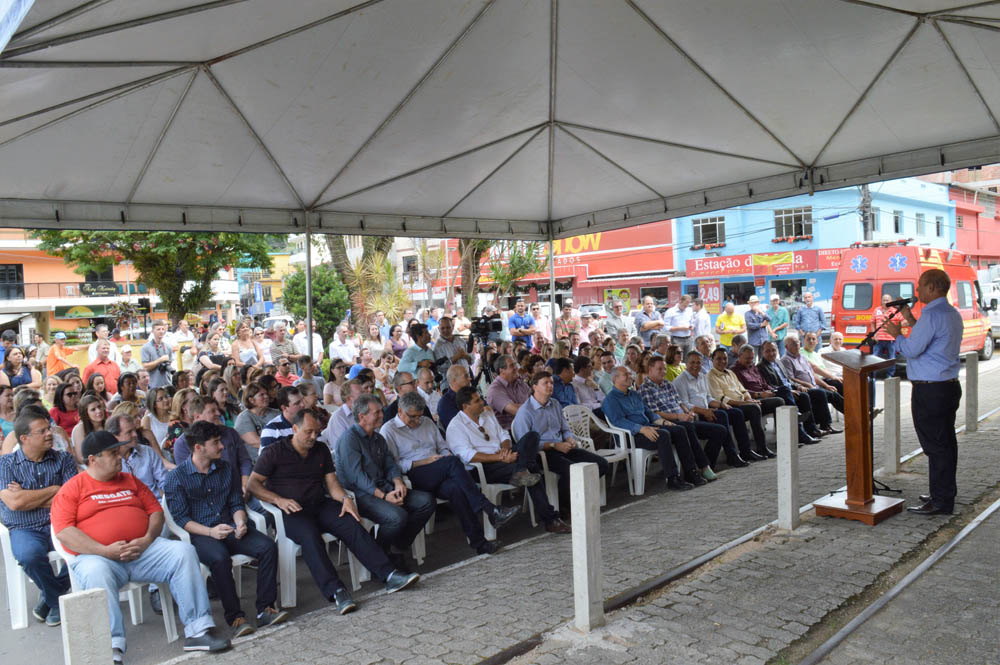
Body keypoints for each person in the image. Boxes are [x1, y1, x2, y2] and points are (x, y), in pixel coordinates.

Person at [52, 431, 231, 661]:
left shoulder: (130, 481)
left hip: (143, 551)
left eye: (119, 452)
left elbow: (155, 512)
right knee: (95, 571)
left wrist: (147, 539)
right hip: (99, 557)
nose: (120, 457)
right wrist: (104, 550)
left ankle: (199, 631)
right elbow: (64, 532)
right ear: (93, 459)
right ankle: (112, 649)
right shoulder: (73, 488)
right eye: (113, 453)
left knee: (183, 552)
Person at [248, 409, 419, 614]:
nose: (313, 436)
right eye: (308, 432)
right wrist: (278, 500)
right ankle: (336, 591)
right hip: (291, 511)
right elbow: (253, 484)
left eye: (317, 432)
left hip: (319, 503)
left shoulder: (320, 449)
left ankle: (389, 574)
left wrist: (345, 499)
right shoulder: (274, 452)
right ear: (294, 429)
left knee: (351, 522)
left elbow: (331, 482)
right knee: (310, 537)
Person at [165, 421, 288, 637]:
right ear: (198, 448)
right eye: (215, 443)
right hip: (202, 534)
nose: (222, 446)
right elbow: (182, 520)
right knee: (220, 558)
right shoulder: (177, 477)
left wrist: (240, 521)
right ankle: (236, 617)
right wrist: (211, 532)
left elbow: (236, 503)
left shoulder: (225, 468)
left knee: (267, 547)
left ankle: (265, 609)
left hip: (230, 527)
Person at [380, 392, 520, 556]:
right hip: (415, 474)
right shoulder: (389, 430)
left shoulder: (426, 422)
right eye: (412, 417)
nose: (417, 421)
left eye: (419, 416)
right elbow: (393, 465)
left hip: (440, 468)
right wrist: (425, 462)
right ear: (400, 411)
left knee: (456, 489)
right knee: (453, 462)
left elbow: (443, 447)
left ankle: (480, 543)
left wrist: (444, 457)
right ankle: (489, 509)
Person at [883, 269, 964, 516]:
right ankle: (943, 493)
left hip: (931, 390)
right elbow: (929, 343)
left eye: (919, 286)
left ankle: (941, 501)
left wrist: (897, 336)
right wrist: (910, 317)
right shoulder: (950, 313)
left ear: (931, 287)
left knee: (936, 447)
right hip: (946, 386)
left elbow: (912, 349)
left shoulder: (931, 314)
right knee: (945, 444)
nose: (916, 291)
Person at [447, 386, 573, 534]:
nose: (482, 402)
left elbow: (504, 435)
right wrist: (500, 457)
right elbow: (468, 455)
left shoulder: (487, 414)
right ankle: (551, 520)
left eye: (480, 399)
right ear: (465, 406)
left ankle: (521, 470)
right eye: (477, 401)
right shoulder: (455, 426)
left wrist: (505, 450)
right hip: (484, 468)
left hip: (506, 456)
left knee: (532, 436)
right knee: (531, 471)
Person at [0, 412, 78, 627]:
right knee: (29, 555)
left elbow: (72, 498)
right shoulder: (6, 464)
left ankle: (50, 596)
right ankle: (57, 600)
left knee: (83, 547)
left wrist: (27, 496)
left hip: (60, 522)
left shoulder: (63, 459)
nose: (49, 434)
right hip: (24, 528)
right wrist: (54, 490)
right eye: (41, 431)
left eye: (48, 429)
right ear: (24, 438)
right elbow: (15, 503)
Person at [511, 372, 609, 510]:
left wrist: (569, 438)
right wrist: (553, 445)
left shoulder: (555, 404)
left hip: (563, 447)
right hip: (542, 453)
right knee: (571, 471)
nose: (550, 386)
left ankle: (579, 496)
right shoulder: (525, 411)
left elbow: (565, 429)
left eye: (551, 383)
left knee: (601, 464)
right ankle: (565, 507)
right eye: (545, 383)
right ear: (535, 387)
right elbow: (526, 445)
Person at [637, 356, 725, 480]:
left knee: (719, 430)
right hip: (667, 423)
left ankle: (707, 464)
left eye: (664, 369)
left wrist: (688, 413)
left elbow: (680, 403)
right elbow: (655, 414)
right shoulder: (645, 389)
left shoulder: (667, 384)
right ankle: (703, 467)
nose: (663, 371)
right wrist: (679, 416)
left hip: (683, 419)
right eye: (660, 369)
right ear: (650, 370)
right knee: (687, 427)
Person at [672, 351, 753, 466]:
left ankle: (746, 451)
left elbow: (708, 398)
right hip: (694, 415)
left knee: (735, 412)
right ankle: (731, 455)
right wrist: (705, 411)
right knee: (722, 418)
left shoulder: (702, 376)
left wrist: (721, 404)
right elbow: (685, 405)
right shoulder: (680, 381)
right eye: (692, 362)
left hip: (707, 410)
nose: (695, 365)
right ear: (686, 363)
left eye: (698, 363)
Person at [707, 348, 776, 459]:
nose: (722, 361)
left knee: (773, 401)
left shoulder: (730, 373)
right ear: (712, 360)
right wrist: (743, 403)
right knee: (754, 409)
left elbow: (743, 390)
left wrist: (749, 399)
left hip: (744, 403)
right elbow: (721, 398)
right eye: (719, 359)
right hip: (730, 406)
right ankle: (760, 448)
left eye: (725, 358)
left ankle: (766, 445)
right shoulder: (710, 376)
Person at [755, 341, 826, 443]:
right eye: (768, 351)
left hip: (789, 389)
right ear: (762, 352)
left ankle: (812, 430)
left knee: (807, 395)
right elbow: (769, 385)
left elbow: (788, 379)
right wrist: (789, 391)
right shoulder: (761, 366)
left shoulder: (778, 362)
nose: (771, 353)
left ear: (777, 350)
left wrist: (798, 386)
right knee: (796, 395)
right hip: (779, 392)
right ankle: (800, 432)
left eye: (773, 350)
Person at [108, 413, 169, 498]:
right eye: (129, 432)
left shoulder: (148, 452)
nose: (135, 435)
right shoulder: (108, 461)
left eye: (135, 430)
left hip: (155, 502)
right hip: (127, 504)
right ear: (115, 436)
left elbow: (165, 482)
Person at [781, 337, 844, 413]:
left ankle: (851, 413)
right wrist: (807, 384)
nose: (797, 345)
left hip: (814, 386)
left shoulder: (802, 357)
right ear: (786, 347)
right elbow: (791, 378)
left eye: (798, 342)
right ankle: (847, 414)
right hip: (804, 388)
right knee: (828, 395)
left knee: (834, 390)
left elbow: (812, 375)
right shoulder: (786, 360)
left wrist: (826, 385)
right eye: (793, 343)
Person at [485, 355, 532, 431]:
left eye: (515, 364)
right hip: (509, 433)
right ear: (501, 371)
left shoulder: (519, 382)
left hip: (528, 424)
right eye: (511, 365)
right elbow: (517, 410)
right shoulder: (495, 390)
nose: (516, 368)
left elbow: (534, 399)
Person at [141, 321, 173, 390]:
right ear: (153, 331)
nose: (161, 331)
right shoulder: (146, 347)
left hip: (167, 384)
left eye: (162, 329)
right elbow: (145, 367)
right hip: (153, 386)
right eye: (158, 329)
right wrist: (159, 360)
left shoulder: (168, 347)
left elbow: (169, 364)